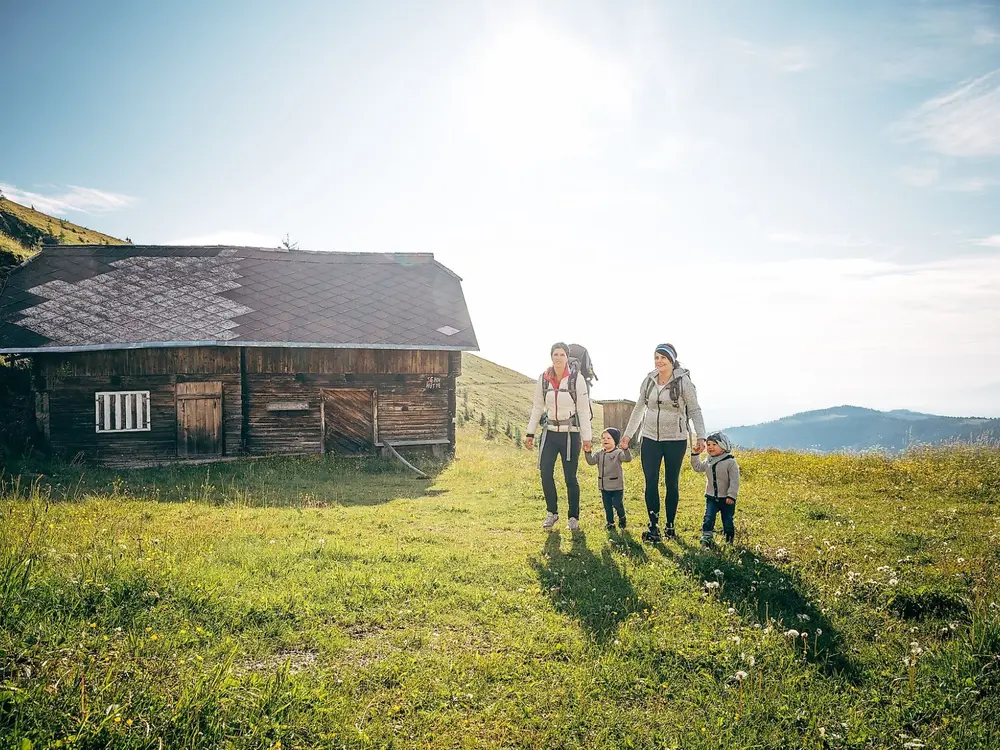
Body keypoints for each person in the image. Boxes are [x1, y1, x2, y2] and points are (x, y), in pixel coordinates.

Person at [621, 343, 706, 542]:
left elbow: (694, 410)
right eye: (656, 357)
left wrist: (701, 435)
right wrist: (628, 435)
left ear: (672, 360)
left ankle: (670, 525)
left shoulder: (683, 382)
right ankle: (653, 526)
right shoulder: (649, 381)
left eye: (663, 358)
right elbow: (639, 409)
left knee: (671, 483)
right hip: (650, 438)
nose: (659, 361)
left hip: (675, 440)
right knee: (650, 482)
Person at [526, 342, 593, 530]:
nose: (558, 358)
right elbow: (538, 407)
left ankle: (573, 517)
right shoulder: (544, 379)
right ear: (551, 356)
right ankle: (552, 512)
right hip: (550, 433)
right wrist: (530, 432)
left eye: (562, 354)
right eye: (555, 354)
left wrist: (587, 438)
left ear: (567, 357)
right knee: (545, 472)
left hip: (570, 434)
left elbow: (583, 409)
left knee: (570, 477)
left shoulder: (576, 379)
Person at [691, 431, 741, 545]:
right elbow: (698, 467)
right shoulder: (709, 461)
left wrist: (731, 496)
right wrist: (695, 455)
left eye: (714, 445)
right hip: (711, 497)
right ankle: (706, 537)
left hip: (727, 498)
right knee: (708, 517)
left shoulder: (730, 462)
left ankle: (729, 539)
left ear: (723, 447)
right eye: (708, 445)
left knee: (727, 520)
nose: (710, 447)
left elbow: (735, 481)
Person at [584, 427, 632, 530]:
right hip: (604, 486)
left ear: (615, 440)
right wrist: (587, 452)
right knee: (607, 506)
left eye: (608, 438)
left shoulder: (618, 453)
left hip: (616, 486)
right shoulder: (599, 453)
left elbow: (627, 459)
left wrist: (626, 449)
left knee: (617, 504)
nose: (605, 440)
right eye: (603, 438)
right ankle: (610, 523)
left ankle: (622, 517)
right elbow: (591, 461)